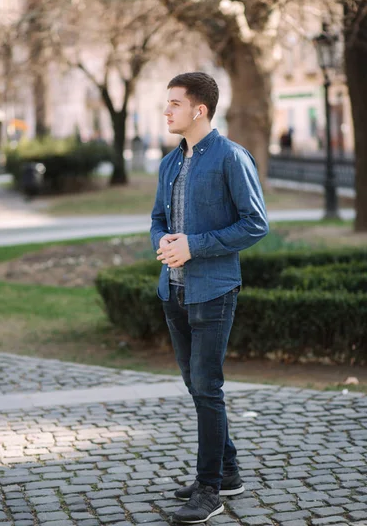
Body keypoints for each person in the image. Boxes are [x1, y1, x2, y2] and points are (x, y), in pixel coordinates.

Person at [150, 72, 269, 524]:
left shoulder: (231, 157)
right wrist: (164, 242)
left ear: (199, 110)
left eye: (175, 104)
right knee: (196, 385)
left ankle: (209, 489)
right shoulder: (169, 163)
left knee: (207, 386)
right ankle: (230, 471)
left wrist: (193, 246)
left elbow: (254, 224)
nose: (167, 111)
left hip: (214, 291)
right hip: (173, 291)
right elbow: (158, 219)